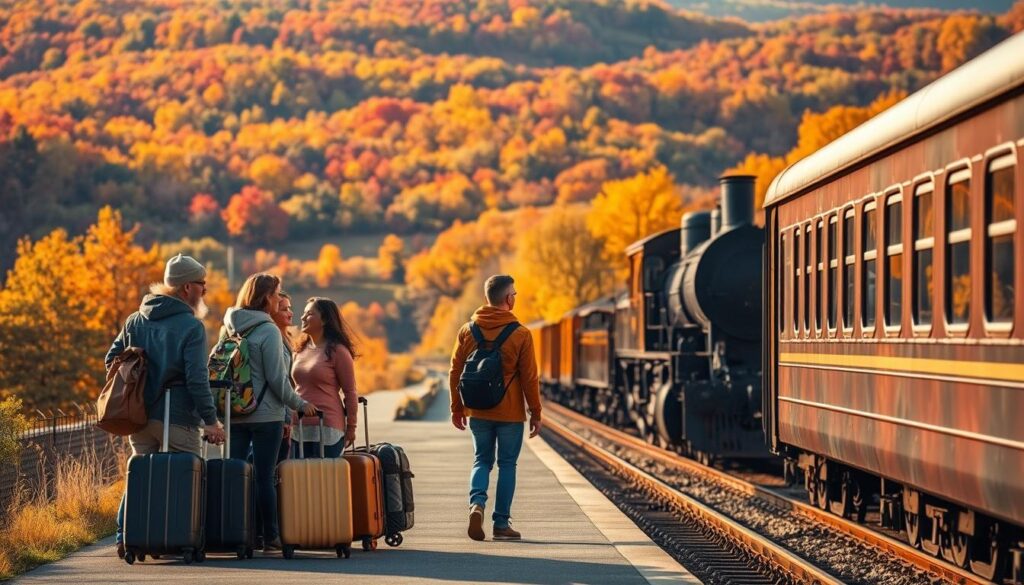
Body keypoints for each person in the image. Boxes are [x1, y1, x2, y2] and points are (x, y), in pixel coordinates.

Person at [105, 254, 226, 559]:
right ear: (187, 288)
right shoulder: (191, 327)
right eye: (202, 284)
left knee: (140, 476)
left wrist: (139, 378)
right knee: (186, 478)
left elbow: (111, 360)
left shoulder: (135, 319)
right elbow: (197, 379)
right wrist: (211, 421)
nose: (205, 291)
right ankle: (181, 539)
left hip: (139, 416)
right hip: (178, 416)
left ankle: (126, 538)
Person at [222, 273, 316, 553]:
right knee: (265, 478)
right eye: (277, 294)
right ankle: (271, 537)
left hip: (236, 413)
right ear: (266, 298)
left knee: (235, 475)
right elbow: (278, 380)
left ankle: (235, 533)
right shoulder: (268, 331)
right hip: (266, 417)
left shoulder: (230, 327)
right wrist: (300, 405)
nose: (280, 298)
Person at [448, 274, 541, 542]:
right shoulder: (521, 334)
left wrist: (457, 407)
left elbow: (455, 371)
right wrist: (536, 412)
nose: (515, 297)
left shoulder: (468, 330)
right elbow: (529, 377)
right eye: (514, 293)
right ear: (508, 299)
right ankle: (501, 523)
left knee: (481, 461)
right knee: (507, 464)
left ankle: (476, 504)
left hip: (477, 410)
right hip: (510, 413)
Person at [291, 297, 359, 459]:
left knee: (325, 481)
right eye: (303, 313)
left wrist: (351, 428)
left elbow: (350, 392)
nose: (302, 317)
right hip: (299, 428)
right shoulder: (300, 350)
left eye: (309, 314)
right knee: (301, 481)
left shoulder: (338, 351)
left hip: (327, 428)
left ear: (325, 319)